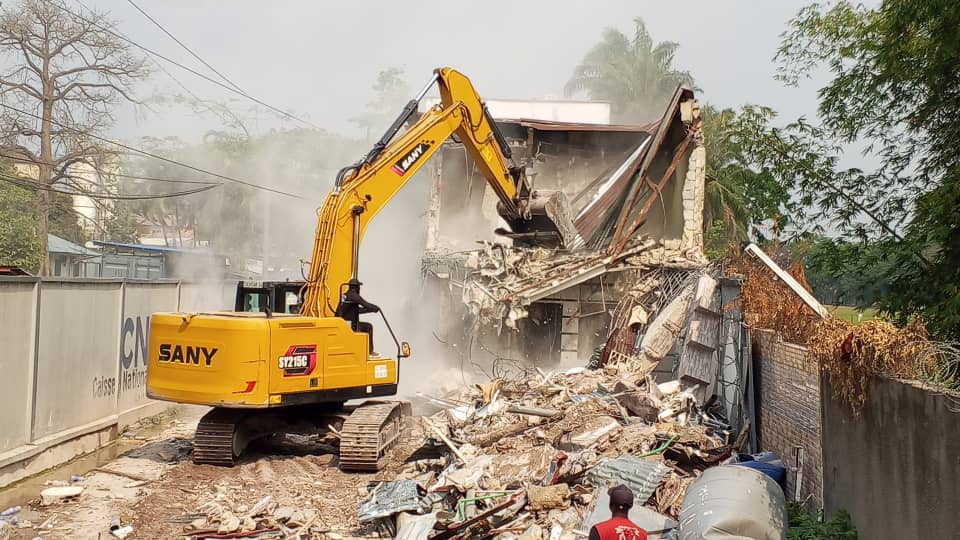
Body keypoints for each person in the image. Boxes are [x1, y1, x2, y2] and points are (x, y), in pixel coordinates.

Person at [335, 279, 380, 352]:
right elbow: (366, 304)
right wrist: (375, 308)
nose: (359, 288)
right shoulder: (353, 295)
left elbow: (356, 310)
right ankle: (370, 351)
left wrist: (371, 310)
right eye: (359, 286)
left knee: (363, 325)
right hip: (348, 325)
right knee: (368, 327)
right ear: (356, 287)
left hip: (342, 323)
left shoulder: (346, 295)